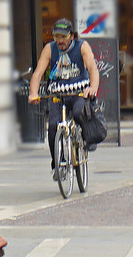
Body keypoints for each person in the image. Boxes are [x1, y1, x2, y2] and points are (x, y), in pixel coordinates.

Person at [28, 18, 99, 181]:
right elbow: (38, 73)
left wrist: (92, 88)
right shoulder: (49, 49)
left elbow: (93, 68)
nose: (59, 40)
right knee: (53, 126)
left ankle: (85, 140)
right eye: (56, 36)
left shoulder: (82, 47)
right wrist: (33, 93)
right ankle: (58, 164)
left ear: (72, 36)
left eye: (63, 36)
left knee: (79, 112)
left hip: (78, 92)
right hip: (57, 96)